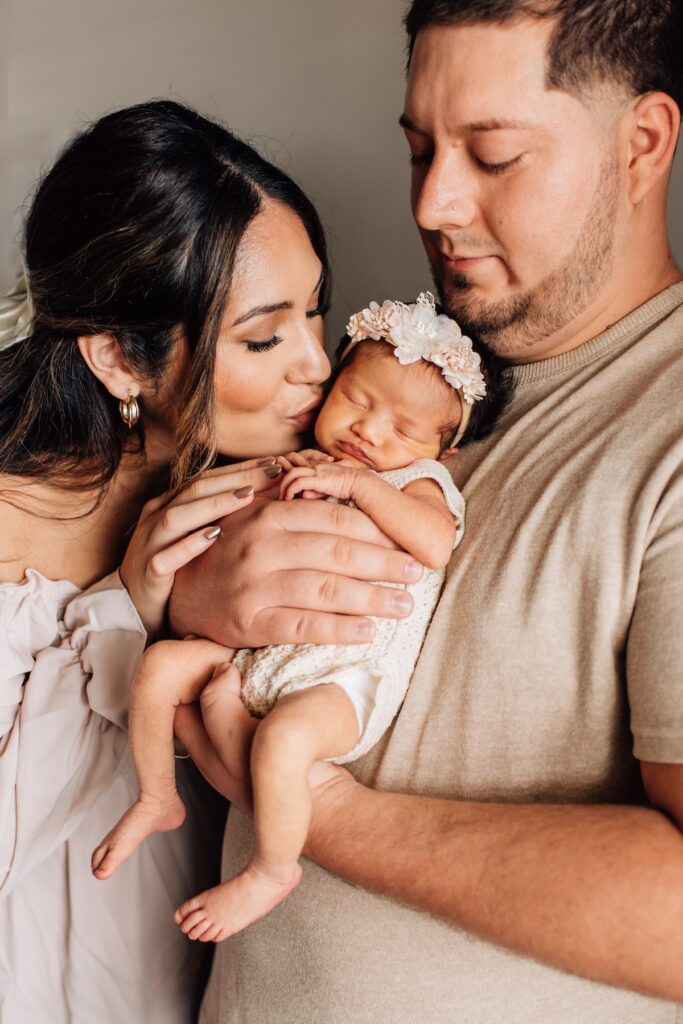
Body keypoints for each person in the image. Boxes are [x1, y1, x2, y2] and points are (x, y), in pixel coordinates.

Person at [169, 2, 683, 1022]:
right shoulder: (383, 376)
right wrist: (188, 593)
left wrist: (317, 810)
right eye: (418, 150)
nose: (434, 203)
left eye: (493, 156)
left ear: (641, 144)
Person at [0, 98, 427, 1023]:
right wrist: (132, 610)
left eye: (315, 311)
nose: (316, 365)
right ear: (119, 358)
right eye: (264, 337)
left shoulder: (279, 482)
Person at [90, 290, 493, 941]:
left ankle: (272, 868)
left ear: (439, 453)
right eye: (356, 400)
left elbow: (435, 542)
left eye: (402, 430)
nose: (369, 431)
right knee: (160, 667)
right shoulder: (300, 456)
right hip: (257, 655)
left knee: (281, 742)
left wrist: (358, 486)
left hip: (340, 679)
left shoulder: (416, 482)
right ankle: (157, 795)